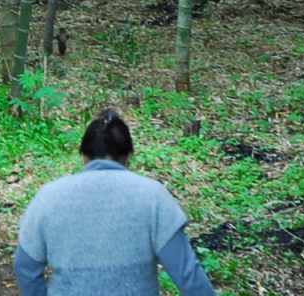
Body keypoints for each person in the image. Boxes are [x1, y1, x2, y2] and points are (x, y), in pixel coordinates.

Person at [14, 109, 217, 296]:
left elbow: (25, 266)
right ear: (128, 157)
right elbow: (187, 274)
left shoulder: (49, 197)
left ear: (84, 156)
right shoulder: (153, 197)